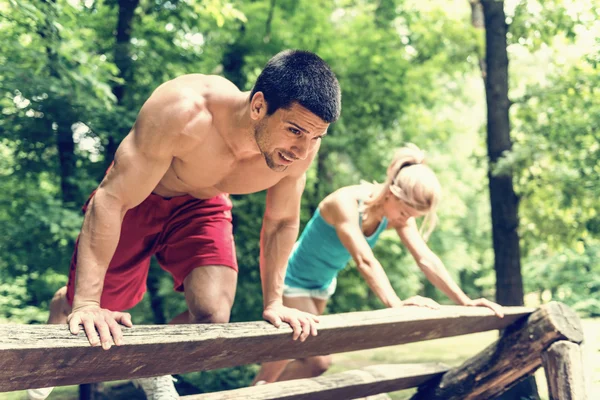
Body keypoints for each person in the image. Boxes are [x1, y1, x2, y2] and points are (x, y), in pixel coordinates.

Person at [26, 49, 341, 400]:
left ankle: (150, 365)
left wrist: (275, 302)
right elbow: (112, 198)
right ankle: (64, 305)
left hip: (203, 205)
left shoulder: (299, 150)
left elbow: (282, 221)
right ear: (258, 106)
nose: (302, 150)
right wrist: (86, 302)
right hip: (139, 199)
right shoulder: (185, 110)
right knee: (95, 308)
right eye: (294, 130)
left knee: (213, 313)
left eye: (315, 137)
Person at [252, 144, 504, 385]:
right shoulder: (345, 202)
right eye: (405, 213)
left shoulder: (393, 212)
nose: (405, 221)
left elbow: (425, 258)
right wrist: (396, 305)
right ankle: (259, 394)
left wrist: (465, 301)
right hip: (292, 280)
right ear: (392, 193)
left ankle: (264, 392)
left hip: (322, 285)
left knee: (291, 361)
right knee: (317, 361)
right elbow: (365, 260)